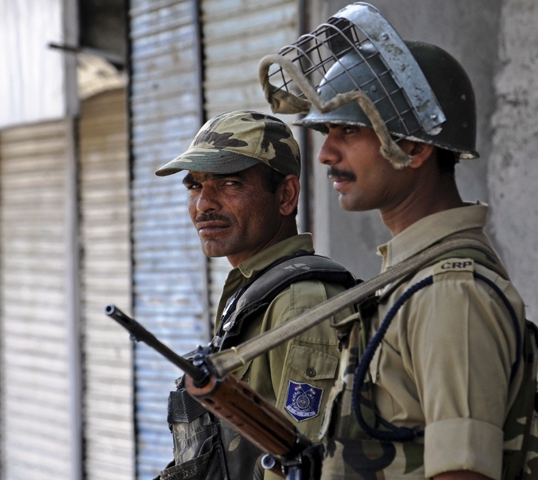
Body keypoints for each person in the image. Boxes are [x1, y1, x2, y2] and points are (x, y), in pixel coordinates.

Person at [258, 3, 532, 479]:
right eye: (326, 130)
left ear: (416, 146)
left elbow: (462, 472)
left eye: (349, 129)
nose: (325, 153)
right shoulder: (413, 276)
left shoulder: (451, 294)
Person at [153, 110, 357, 480]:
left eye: (229, 184)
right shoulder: (254, 288)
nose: (204, 204)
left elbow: (306, 462)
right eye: (195, 186)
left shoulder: (300, 301)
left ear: (286, 195)